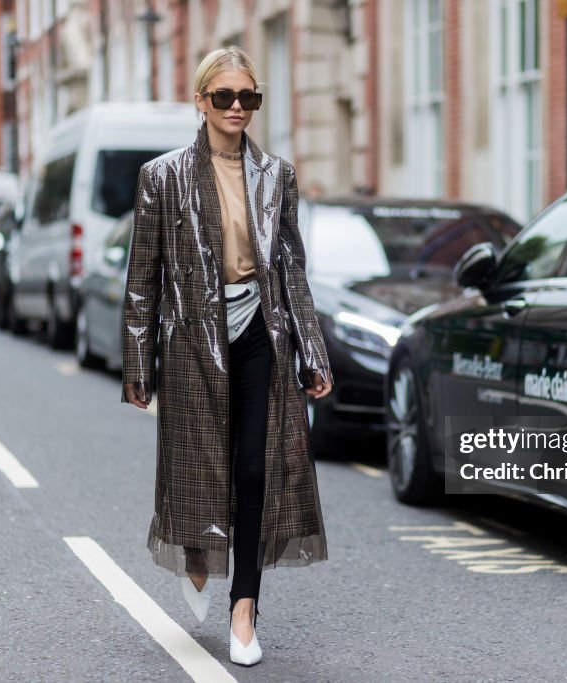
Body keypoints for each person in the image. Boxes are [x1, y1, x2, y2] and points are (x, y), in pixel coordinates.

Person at [120, 46, 333, 668]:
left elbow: (291, 267)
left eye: (249, 98)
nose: (238, 108)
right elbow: (144, 276)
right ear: (201, 101)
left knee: (253, 469)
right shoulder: (162, 177)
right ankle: (196, 548)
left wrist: (312, 351)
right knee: (197, 463)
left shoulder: (278, 175)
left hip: (261, 330)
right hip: (190, 337)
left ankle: (245, 607)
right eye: (225, 97)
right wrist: (138, 362)